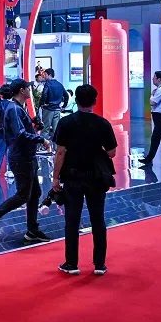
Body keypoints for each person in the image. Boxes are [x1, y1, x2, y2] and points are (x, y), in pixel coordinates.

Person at [51, 84, 117, 276]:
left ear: (76, 100)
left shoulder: (66, 123)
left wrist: (55, 178)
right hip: (96, 177)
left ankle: (71, 263)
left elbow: (60, 152)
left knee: (72, 220)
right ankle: (99, 264)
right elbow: (112, 152)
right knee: (98, 219)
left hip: (73, 176)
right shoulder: (102, 123)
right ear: (94, 101)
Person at [0, 78, 52, 243]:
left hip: (27, 156)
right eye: (28, 88)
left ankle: (32, 230)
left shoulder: (18, 107)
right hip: (21, 157)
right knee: (23, 195)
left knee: (35, 194)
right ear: (21, 90)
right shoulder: (13, 108)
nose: (30, 90)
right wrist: (41, 140)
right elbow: (19, 134)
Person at [39, 68, 68, 150]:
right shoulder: (59, 84)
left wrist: (42, 104)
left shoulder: (47, 84)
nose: (44, 76)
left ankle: (44, 148)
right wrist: (64, 106)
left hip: (48, 109)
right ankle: (57, 148)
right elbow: (66, 95)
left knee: (45, 129)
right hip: (57, 109)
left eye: (45, 75)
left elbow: (44, 94)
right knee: (56, 130)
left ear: (50, 75)